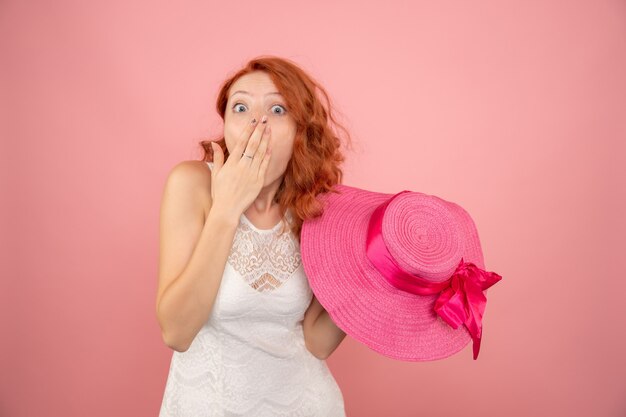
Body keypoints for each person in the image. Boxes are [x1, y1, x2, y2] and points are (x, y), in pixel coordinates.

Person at [156, 55, 353, 416]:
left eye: (277, 110)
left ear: (299, 130)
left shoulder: (316, 207)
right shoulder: (191, 184)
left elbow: (317, 342)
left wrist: (371, 282)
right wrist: (227, 209)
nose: (256, 121)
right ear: (227, 124)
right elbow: (176, 332)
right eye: (241, 106)